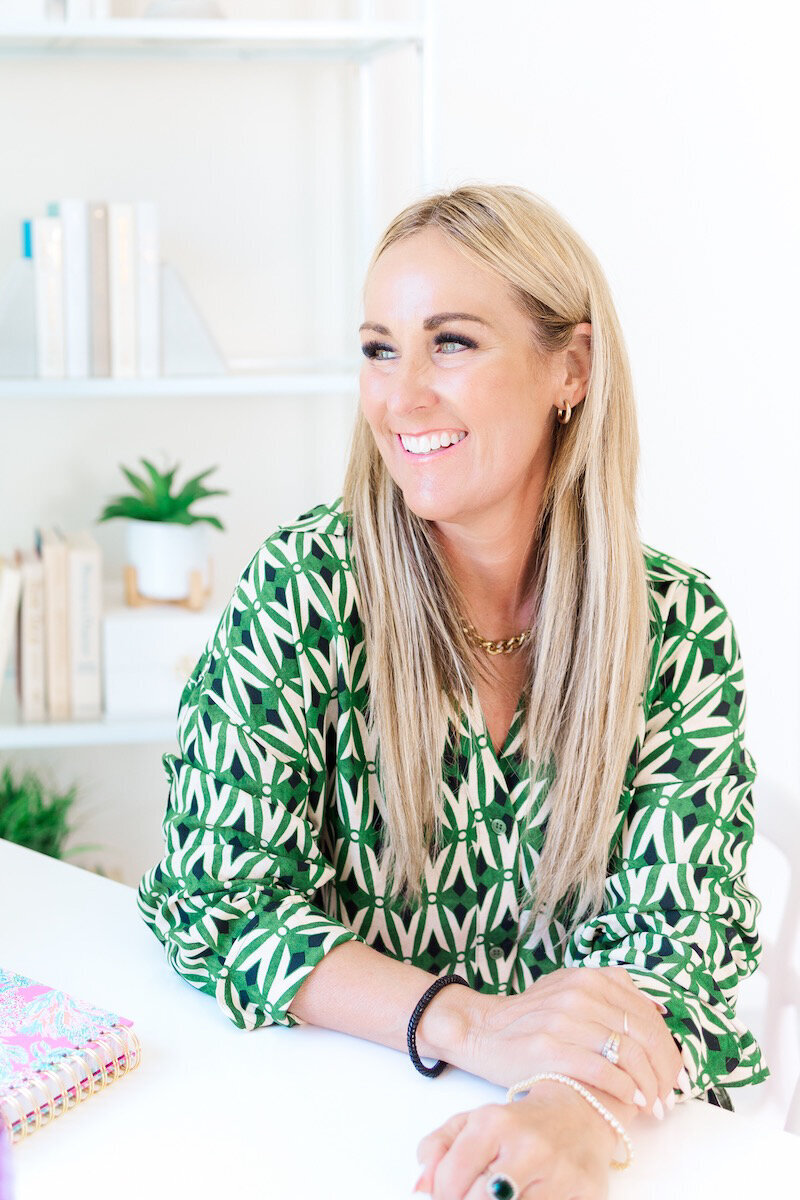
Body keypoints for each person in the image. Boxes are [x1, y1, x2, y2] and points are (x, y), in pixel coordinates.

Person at [137, 184, 768, 1200]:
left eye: (452, 344)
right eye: (379, 348)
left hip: (621, 1124)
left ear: (570, 367)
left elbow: (677, 948)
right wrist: (472, 1022)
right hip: (356, 1120)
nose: (400, 395)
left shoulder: (674, 625)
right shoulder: (306, 589)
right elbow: (214, 900)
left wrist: (561, 1106)